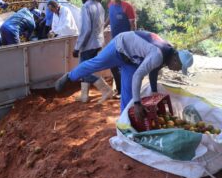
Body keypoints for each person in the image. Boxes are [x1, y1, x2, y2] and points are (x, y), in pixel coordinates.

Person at [55, 30, 193, 119]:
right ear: (176, 59)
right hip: (119, 47)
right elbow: (138, 76)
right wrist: (138, 104)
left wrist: (154, 92)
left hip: (132, 60)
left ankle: (124, 122)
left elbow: (154, 71)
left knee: (128, 95)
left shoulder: (168, 52)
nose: (177, 70)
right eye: (179, 67)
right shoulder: (158, 54)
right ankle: (70, 76)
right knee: (95, 64)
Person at [68, 0, 113, 103]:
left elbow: (86, 30)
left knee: (84, 70)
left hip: (88, 44)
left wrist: (77, 47)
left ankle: (106, 90)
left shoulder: (85, 8)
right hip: (98, 42)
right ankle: (84, 95)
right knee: (88, 68)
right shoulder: (99, 6)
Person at [105, 0, 136, 98]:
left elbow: (133, 24)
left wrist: (132, 41)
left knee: (125, 66)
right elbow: (110, 17)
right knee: (113, 65)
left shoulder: (127, 6)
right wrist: (103, 26)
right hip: (115, 41)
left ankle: (126, 92)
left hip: (125, 42)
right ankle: (120, 90)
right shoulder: (110, 4)